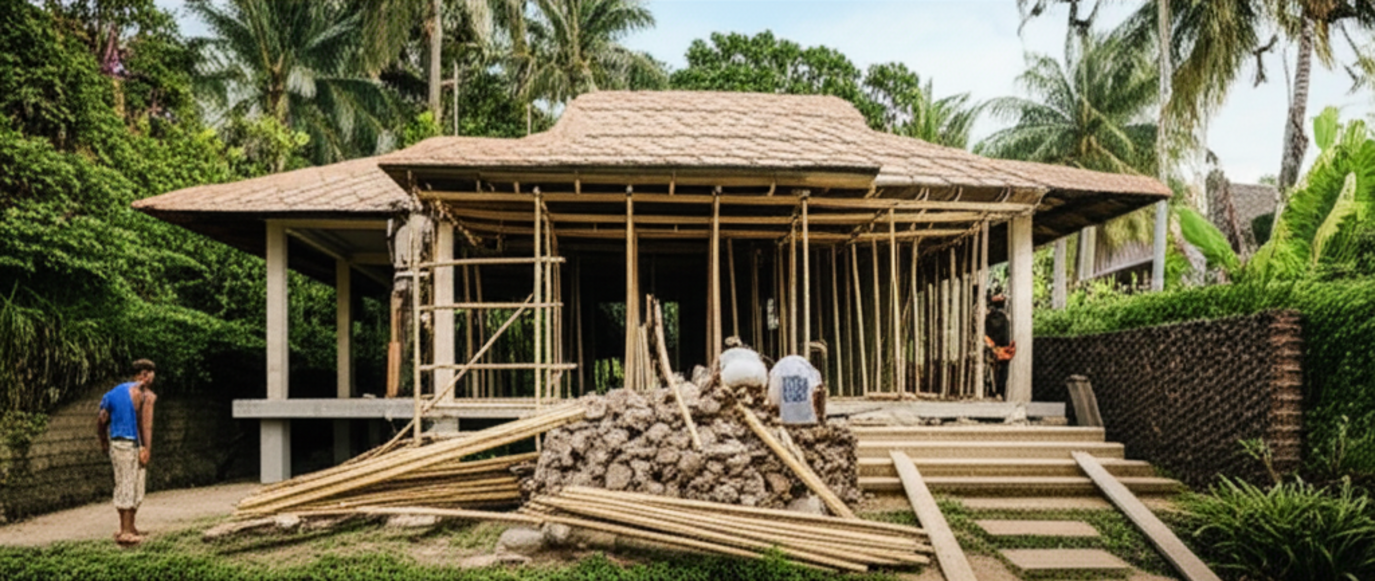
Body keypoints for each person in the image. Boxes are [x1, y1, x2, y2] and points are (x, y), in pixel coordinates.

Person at [96, 359, 158, 545]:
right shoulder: (146, 395)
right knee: (132, 485)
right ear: (145, 375)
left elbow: (101, 420)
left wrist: (104, 442)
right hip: (131, 444)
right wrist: (145, 448)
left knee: (125, 483)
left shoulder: (112, 393)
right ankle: (125, 531)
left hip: (117, 443)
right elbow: (145, 425)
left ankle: (129, 527)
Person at [983, 294, 1015, 400]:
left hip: (990, 345)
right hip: (1001, 347)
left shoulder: (987, 317)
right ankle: (999, 392)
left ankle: (992, 391)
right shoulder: (1005, 318)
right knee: (1002, 367)